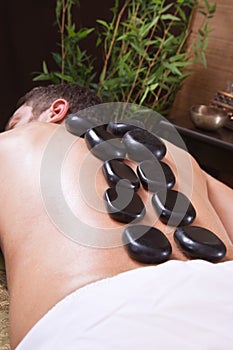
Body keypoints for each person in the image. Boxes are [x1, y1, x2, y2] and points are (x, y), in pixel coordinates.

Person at [0, 84, 233, 349]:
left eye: (15, 122)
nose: (10, 130)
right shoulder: (179, 156)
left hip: (97, 320)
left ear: (57, 110)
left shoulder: (14, 143)